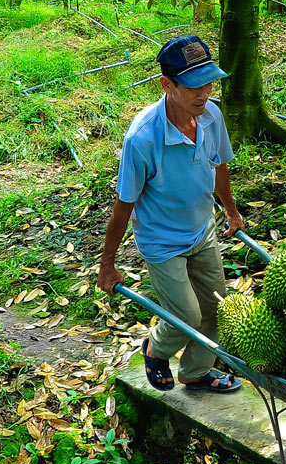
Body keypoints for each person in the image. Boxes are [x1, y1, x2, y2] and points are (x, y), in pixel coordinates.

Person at [97, 35, 246, 394]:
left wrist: (232, 212)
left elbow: (219, 167)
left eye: (208, 82)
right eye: (193, 86)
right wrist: (107, 263)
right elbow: (124, 203)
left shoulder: (211, 116)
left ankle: (195, 372)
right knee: (185, 318)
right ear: (167, 84)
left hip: (201, 229)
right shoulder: (143, 137)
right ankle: (155, 348)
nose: (203, 93)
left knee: (215, 308)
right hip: (163, 241)